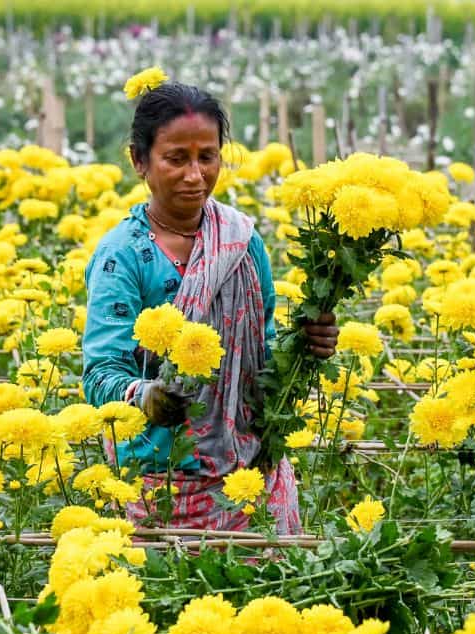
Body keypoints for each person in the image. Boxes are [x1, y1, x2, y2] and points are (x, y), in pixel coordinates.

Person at [83, 79, 339, 533]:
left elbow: (262, 347)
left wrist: (306, 345)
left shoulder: (240, 241)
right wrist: (147, 397)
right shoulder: (121, 256)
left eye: (207, 157)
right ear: (139, 161)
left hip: (248, 471)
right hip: (161, 479)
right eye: (176, 159)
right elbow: (101, 374)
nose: (195, 175)